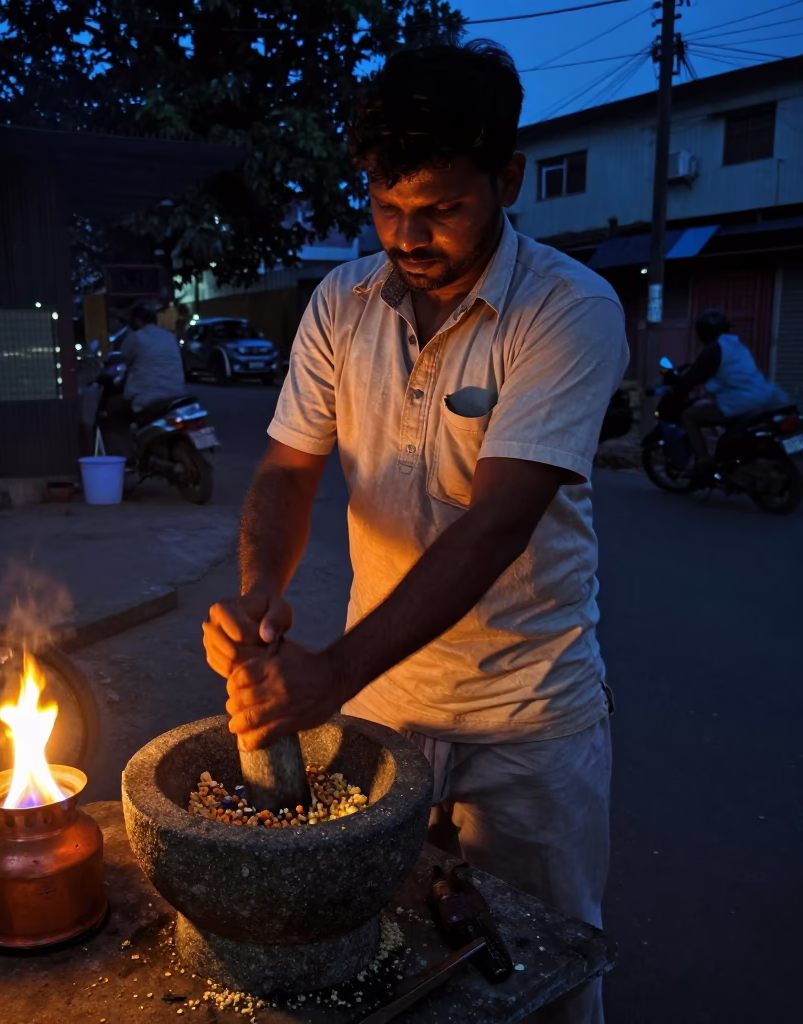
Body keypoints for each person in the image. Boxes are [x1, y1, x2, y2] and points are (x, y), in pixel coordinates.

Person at [202, 42, 627, 1024]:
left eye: (440, 207)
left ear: (507, 178)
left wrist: (327, 674)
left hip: (528, 717)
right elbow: (285, 469)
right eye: (385, 207)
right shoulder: (340, 305)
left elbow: (495, 526)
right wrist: (261, 589)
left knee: (546, 966)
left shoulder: (567, 310)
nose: (407, 234)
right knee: (387, 957)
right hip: (384, 715)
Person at [681, 309, 786, 472]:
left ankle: (703, 459)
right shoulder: (737, 346)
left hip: (740, 401)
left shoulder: (714, 349)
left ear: (703, 332)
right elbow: (724, 377)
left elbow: (694, 377)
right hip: (767, 396)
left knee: (689, 416)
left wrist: (679, 386)